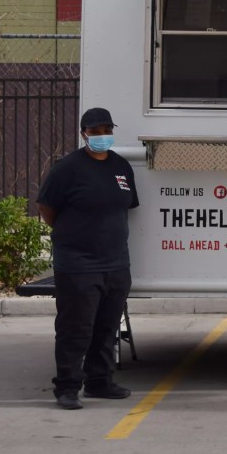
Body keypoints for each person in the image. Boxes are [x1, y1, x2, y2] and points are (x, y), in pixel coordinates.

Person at [36, 107, 139, 410]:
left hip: (116, 263)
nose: (102, 136)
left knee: (107, 327)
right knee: (75, 328)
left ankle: (100, 381)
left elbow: (127, 206)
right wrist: (73, 233)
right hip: (79, 264)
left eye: (106, 130)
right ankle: (68, 387)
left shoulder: (121, 167)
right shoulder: (67, 169)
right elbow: (46, 207)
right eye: (95, 131)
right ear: (84, 134)